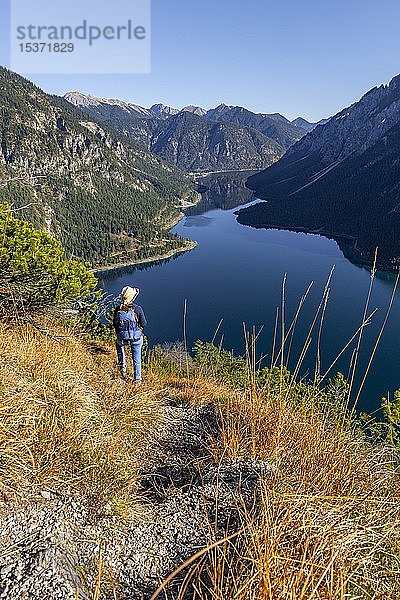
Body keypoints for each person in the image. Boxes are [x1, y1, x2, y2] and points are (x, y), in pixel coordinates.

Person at [113, 286, 147, 381]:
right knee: (137, 359)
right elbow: (144, 324)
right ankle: (137, 380)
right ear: (132, 297)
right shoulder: (138, 309)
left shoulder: (118, 310)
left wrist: (120, 334)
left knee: (119, 347)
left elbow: (115, 324)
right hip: (135, 339)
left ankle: (122, 370)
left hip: (122, 338)